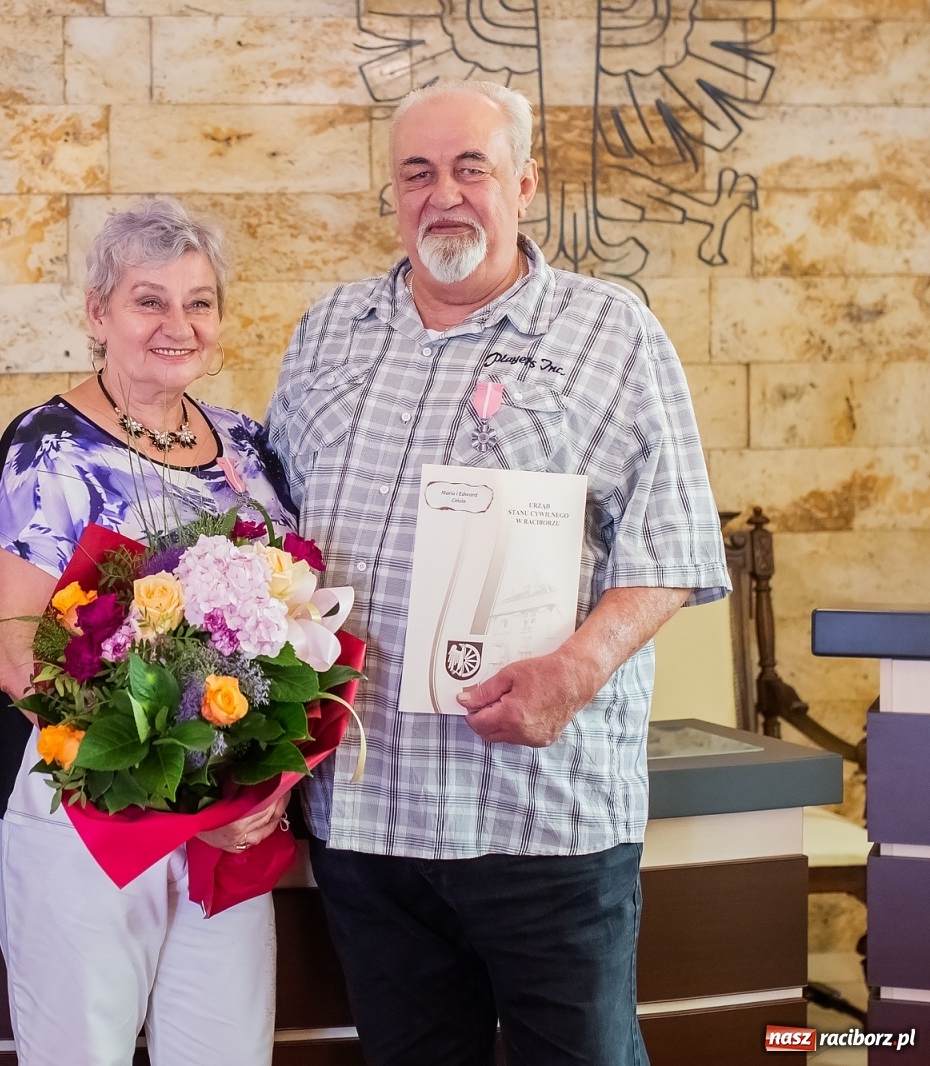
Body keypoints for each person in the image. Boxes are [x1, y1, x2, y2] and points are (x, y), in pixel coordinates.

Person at [266, 81, 732, 1065]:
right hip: (364, 813)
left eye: (470, 168)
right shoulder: (325, 332)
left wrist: (575, 668)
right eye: (417, 173)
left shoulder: (613, 334)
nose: (444, 193)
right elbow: (276, 550)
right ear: (391, 194)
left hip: (540, 817)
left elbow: (673, 546)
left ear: (523, 184)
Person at [0, 199, 293, 1066]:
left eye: (198, 302)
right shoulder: (51, 447)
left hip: (221, 827)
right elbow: (16, 659)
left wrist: (250, 785)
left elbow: (290, 627)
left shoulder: (246, 446)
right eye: (148, 300)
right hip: (85, 810)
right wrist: (181, 802)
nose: (177, 324)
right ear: (97, 313)